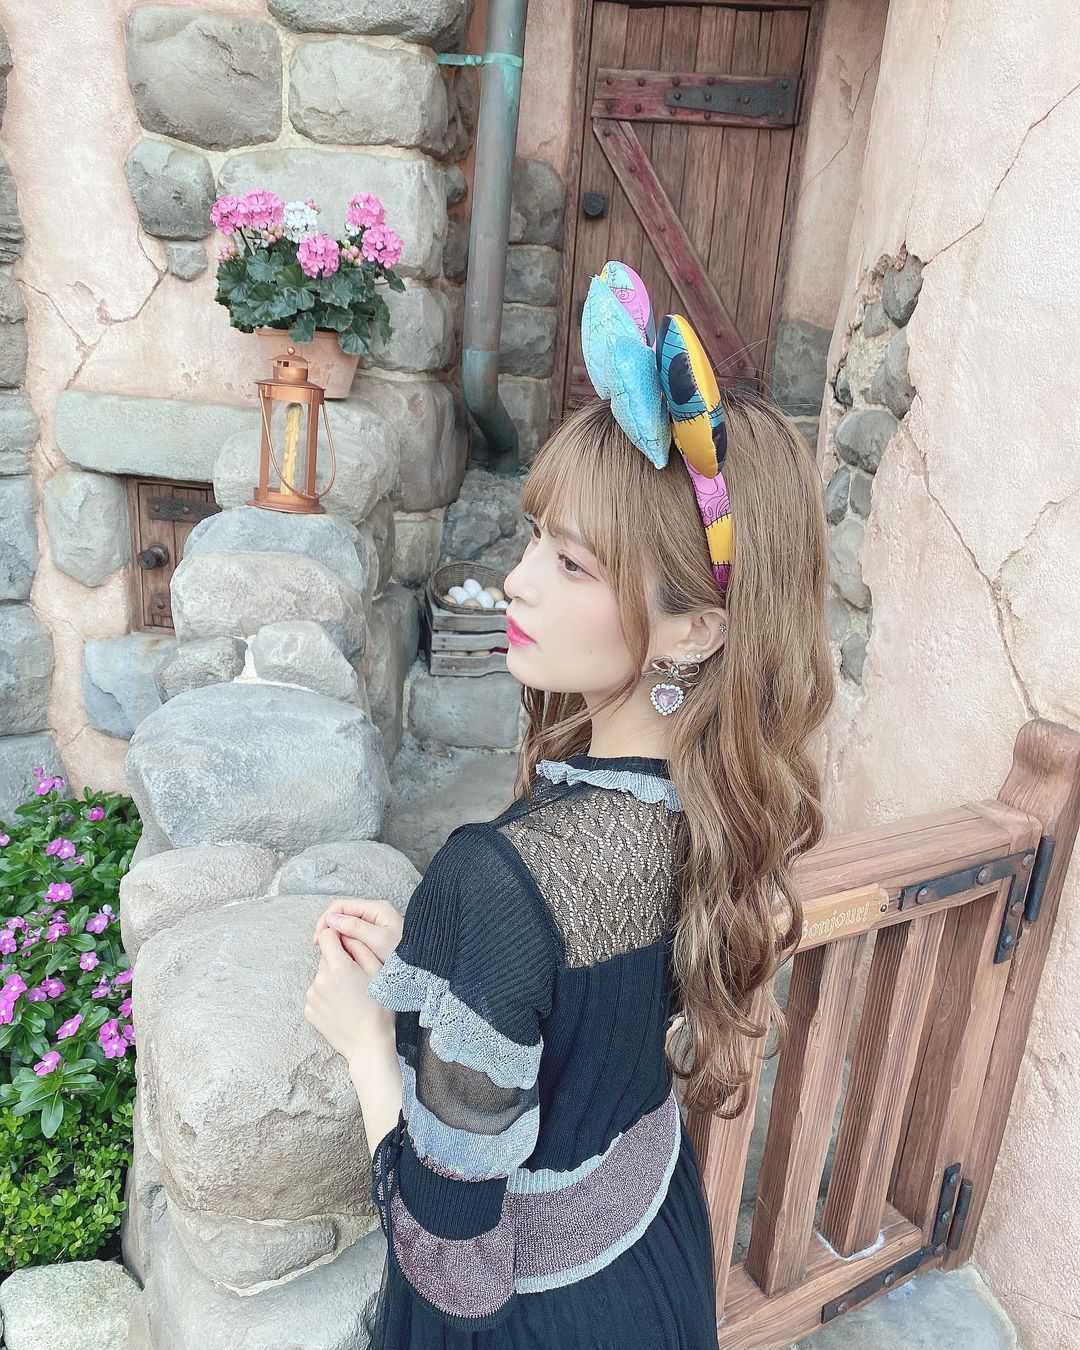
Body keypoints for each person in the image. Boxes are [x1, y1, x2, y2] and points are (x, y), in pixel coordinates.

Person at [303, 261, 835, 1348]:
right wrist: (447, 976)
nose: (518, 581)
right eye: (535, 539)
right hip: (654, 1266)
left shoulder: (499, 878)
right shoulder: (714, 808)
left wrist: (365, 1041)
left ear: (696, 629)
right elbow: (584, 1028)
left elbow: (455, 1270)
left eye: (575, 564)